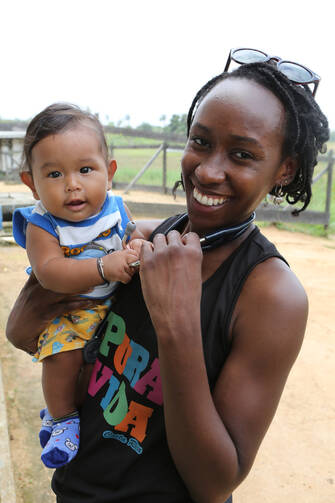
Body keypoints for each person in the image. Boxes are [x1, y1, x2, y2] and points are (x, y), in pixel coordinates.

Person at [6, 49, 329, 503]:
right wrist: (23, 326)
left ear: (284, 170)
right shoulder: (153, 240)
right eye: (200, 142)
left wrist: (176, 324)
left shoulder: (271, 295)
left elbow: (215, 483)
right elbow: (64, 344)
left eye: (241, 154)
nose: (208, 170)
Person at [11, 103, 148, 469]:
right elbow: (50, 272)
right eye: (54, 174)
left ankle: (70, 414)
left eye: (86, 170)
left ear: (109, 172)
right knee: (62, 356)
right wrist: (104, 267)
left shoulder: (116, 208)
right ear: (32, 184)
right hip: (69, 310)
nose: (72, 184)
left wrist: (136, 246)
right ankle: (62, 419)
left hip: (113, 307)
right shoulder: (43, 224)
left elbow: (134, 235)